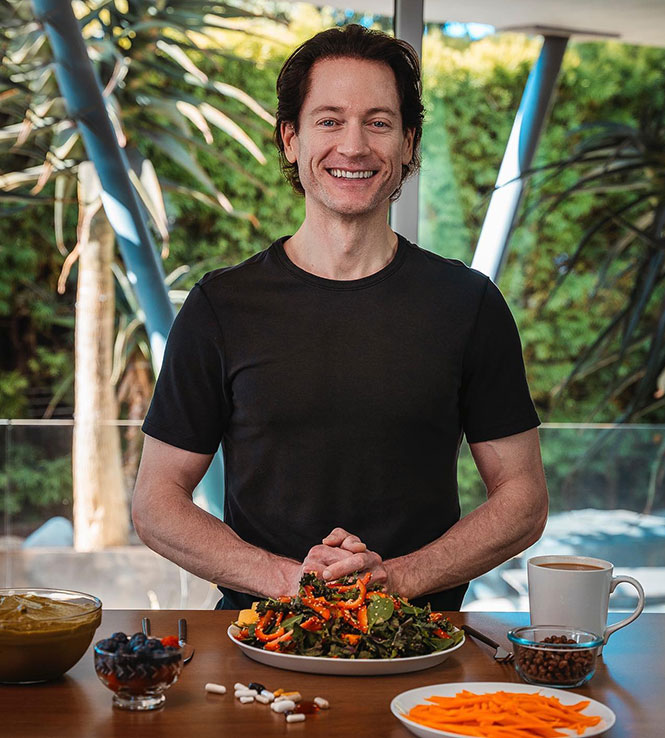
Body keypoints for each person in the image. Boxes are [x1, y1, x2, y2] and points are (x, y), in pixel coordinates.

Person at [132, 24, 548, 612]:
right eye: (329, 120)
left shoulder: (468, 305)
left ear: (407, 143)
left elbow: (523, 499)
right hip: (261, 637)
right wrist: (291, 582)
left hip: (421, 640)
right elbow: (157, 502)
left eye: (378, 123)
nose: (354, 147)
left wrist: (396, 580)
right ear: (290, 139)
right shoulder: (221, 306)